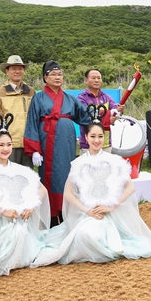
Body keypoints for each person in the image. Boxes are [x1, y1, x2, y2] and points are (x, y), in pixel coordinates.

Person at [31, 114, 151, 266]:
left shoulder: (114, 160)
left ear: (104, 137)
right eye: (92, 136)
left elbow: (130, 188)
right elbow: (68, 194)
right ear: (86, 137)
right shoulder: (78, 163)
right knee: (86, 235)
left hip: (112, 213)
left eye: (100, 136)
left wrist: (112, 206)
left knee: (99, 237)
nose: (97, 140)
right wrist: (87, 211)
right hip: (87, 213)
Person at [0, 114, 50, 275]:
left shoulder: (21, 169)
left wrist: (32, 205)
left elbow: (42, 189)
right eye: (1, 145)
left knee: (21, 232)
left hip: (21, 218)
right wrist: (2, 210)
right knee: (12, 237)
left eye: (9, 144)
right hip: (0, 221)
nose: (5, 148)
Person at [24, 60, 91, 225]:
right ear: (45, 78)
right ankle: (52, 217)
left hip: (66, 144)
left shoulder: (69, 99)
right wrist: (34, 150)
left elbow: (85, 117)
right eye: (53, 74)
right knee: (49, 176)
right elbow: (32, 123)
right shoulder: (38, 98)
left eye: (59, 74)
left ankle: (68, 211)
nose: (57, 77)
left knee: (66, 173)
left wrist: (104, 119)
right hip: (47, 143)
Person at [0, 55, 36, 168]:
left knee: (27, 178)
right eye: (14, 68)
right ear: (7, 71)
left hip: (28, 143)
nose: (17, 71)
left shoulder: (31, 91)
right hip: (9, 144)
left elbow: (36, 118)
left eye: (20, 68)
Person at [77, 68, 125, 154]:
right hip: (88, 144)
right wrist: (108, 117)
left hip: (105, 144)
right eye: (93, 78)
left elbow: (115, 112)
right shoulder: (81, 98)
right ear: (86, 80)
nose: (97, 80)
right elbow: (87, 115)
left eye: (99, 78)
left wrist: (119, 111)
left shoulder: (107, 97)